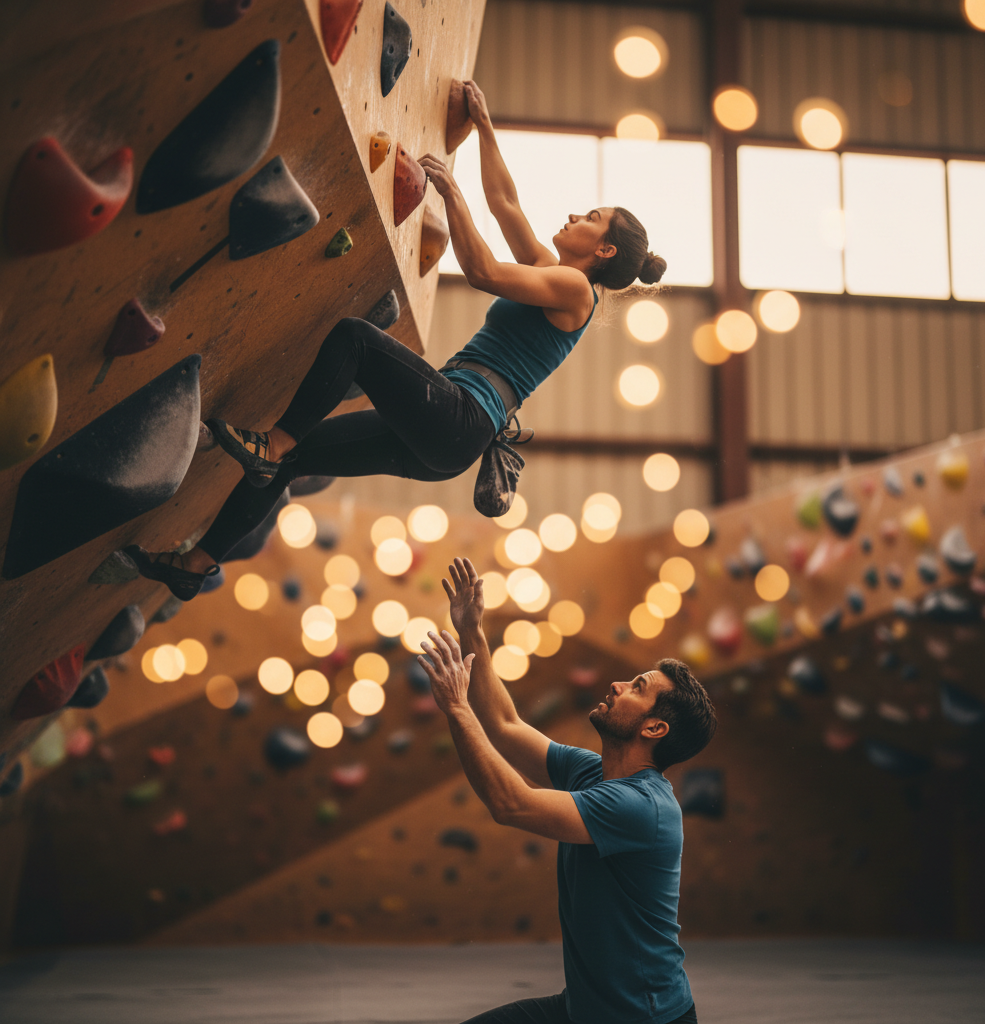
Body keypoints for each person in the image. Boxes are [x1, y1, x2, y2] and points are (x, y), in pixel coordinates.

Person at [124, 82, 667, 599]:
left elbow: (481, 270)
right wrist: (485, 128)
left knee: (354, 342)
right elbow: (506, 204)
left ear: (605, 252)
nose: (576, 215)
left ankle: (277, 444)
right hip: (448, 437)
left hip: (459, 416)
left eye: (592, 218)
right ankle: (195, 567)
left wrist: (451, 194)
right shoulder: (556, 275)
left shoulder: (574, 288)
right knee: (294, 463)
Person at [417, 557, 717, 1024]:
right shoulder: (593, 774)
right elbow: (505, 724)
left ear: (655, 727)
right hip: (583, 1010)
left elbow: (510, 804)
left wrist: (456, 707)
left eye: (636, 687)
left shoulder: (641, 807)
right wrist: (472, 630)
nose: (617, 684)